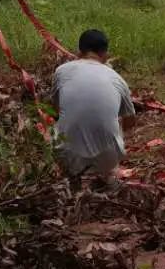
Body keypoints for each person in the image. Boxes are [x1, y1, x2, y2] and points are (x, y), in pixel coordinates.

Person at [50, 28, 136, 187]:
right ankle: (109, 172)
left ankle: (70, 178)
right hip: (107, 159)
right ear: (105, 54)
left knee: (60, 120)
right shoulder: (118, 79)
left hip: (67, 157)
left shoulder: (61, 71)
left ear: (79, 51)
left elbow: (55, 109)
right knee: (119, 118)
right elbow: (130, 122)